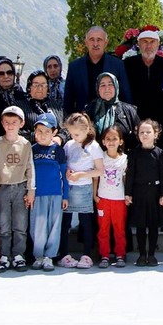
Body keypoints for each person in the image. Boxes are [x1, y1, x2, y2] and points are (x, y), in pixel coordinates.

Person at [0, 106, 35, 272]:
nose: (10, 126)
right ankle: (4, 255)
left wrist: (31, 190)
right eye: (7, 122)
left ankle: (18, 255)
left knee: (20, 224)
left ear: (21, 124)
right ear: (2, 123)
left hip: (20, 187)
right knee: (3, 224)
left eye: (14, 122)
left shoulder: (26, 144)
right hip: (2, 188)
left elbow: (30, 168)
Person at [59, 113, 103, 270]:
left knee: (86, 222)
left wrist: (82, 175)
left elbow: (100, 170)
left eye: (76, 134)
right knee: (65, 222)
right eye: (71, 133)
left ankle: (87, 254)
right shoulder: (69, 145)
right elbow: (64, 163)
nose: (73, 136)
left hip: (84, 187)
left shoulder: (94, 146)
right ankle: (63, 254)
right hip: (68, 188)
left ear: (87, 129)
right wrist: (68, 171)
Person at [125, 119, 163, 267]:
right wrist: (128, 193)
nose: (145, 135)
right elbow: (130, 174)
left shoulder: (160, 153)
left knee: (153, 225)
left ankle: (152, 254)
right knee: (141, 225)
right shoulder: (134, 153)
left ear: (155, 134)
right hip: (139, 193)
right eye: (141, 132)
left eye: (148, 132)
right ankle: (142, 254)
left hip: (155, 194)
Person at [64, 26, 133, 115]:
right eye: (92, 39)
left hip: (111, 122)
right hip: (83, 122)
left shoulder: (117, 65)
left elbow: (126, 97)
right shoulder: (74, 67)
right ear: (86, 42)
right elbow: (68, 101)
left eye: (99, 40)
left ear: (106, 43)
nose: (95, 44)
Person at [30, 113, 68, 271]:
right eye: (39, 131)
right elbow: (29, 173)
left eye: (47, 131)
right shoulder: (32, 149)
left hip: (56, 194)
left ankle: (49, 256)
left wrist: (65, 196)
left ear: (54, 132)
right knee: (37, 226)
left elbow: (64, 175)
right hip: (37, 195)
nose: (43, 135)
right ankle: (38, 255)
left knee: (54, 226)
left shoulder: (58, 151)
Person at [123, 29, 163, 133]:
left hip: (161, 119)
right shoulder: (128, 64)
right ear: (138, 44)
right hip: (134, 118)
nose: (148, 46)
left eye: (152, 42)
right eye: (145, 42)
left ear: (158, 44)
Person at [96, 125, 126, 268]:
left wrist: (127, 196)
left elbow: (127, 179)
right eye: (108, 139)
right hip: (103, 199)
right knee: (103, 229)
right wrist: (95, 195)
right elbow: (95, 177)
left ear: (120, 141)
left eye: (115, 138)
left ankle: (120, 254)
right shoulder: (100, 157)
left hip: (119, 200)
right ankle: (104, 255)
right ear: (103, 141)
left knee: (119, 228)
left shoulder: (125, 159)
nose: (111, 142)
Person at [84, 72, 139, 151]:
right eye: (103, 85)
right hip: (96, 160)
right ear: (97, 88)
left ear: (116, 87)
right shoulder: (89, 109)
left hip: (123, 159)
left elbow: (139, 138)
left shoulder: (129, 111)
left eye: (110, 84)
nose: (107, 88)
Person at [24, 70, 65, 144]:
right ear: (29, 87)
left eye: (43, 85)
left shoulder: (56, 106)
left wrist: (60, 138)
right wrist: (40, 135)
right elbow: (16, 132)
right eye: (36, 85)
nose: (40, 88)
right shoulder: (21, 106)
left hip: (55, 150)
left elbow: (67, 127)